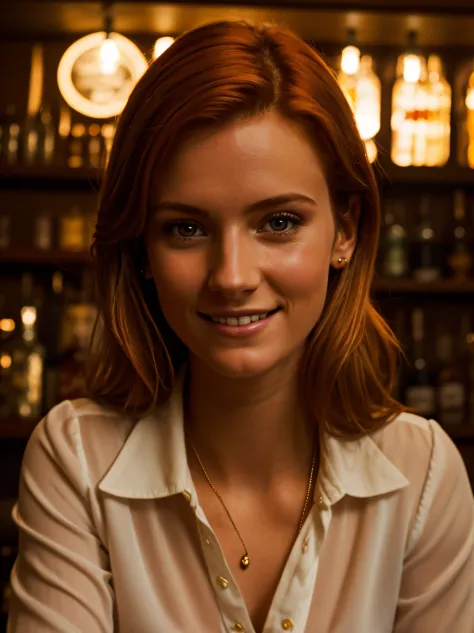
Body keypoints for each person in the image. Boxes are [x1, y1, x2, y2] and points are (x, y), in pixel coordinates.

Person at [7, 20, 474, 633]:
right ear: (141, 248)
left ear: (346, 230)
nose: (231, 276)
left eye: (278, 222)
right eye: (186, 228)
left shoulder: (423, 472)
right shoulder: (76, 458)